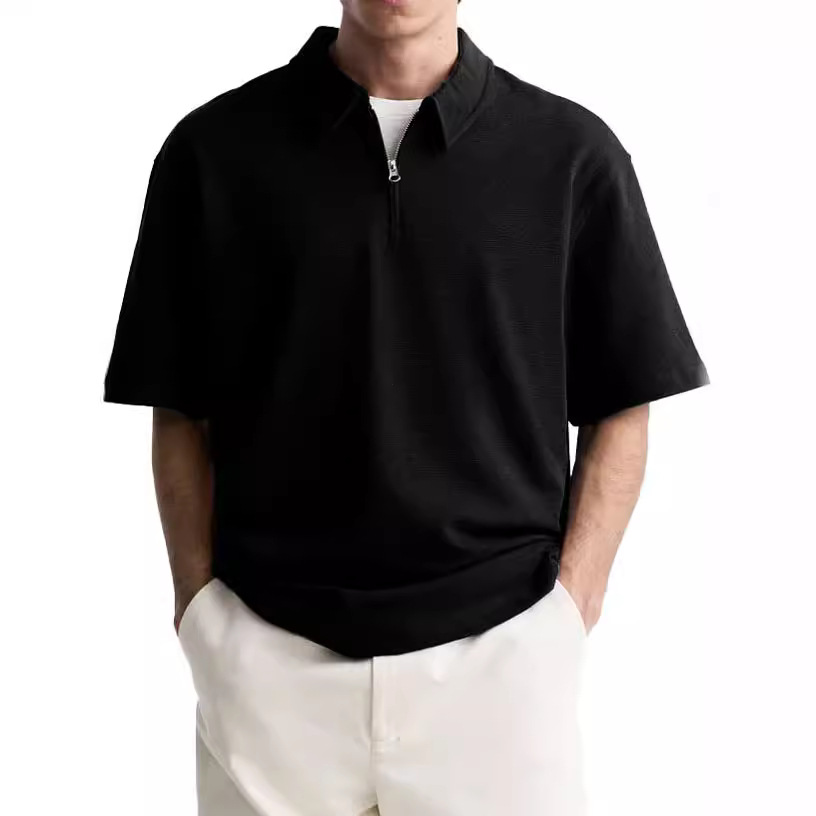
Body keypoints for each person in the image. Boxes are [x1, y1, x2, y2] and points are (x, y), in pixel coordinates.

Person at [103, 1, 710, 814]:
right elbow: (179, 405)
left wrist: (570, 610)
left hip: (499, 666)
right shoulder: (212, 152)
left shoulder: (570, 154)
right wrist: (200, 611)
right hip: (269, 666)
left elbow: (623, 400)